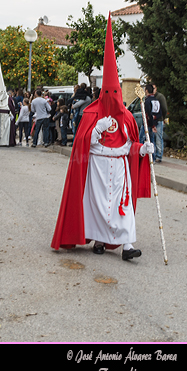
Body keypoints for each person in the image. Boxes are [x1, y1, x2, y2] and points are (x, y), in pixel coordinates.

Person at [51, 14, 153, 260]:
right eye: (107, 91)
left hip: (119, 168)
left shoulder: (127, 116)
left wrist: (142, 149)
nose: (111, 96)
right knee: (97, 206)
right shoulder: (91, 112)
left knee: (122, 205)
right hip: (96, 167)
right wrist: (96, 130)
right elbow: (82, 143)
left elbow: (129, 144)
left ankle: (127, 246)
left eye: (114, 92)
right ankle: (99, 239)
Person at [141, 84, 163, 162]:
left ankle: (142, 156)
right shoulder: (156, 100)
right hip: (154, 123)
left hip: (147, 124)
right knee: (152, 141)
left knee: (142, 139)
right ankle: (152, 158)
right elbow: (159, 113)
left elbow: (148, 114)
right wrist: (155, 118)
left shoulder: (147, 101)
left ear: (146, 90)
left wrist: (152, 124)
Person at [152, 84, 168, 163]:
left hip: (158, 120)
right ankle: (153, 155)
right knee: (152, 138)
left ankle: (159, 156)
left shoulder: (160, 97)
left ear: (156, 88)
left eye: (154, 88)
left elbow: (164, 108)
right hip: (152, 121)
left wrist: (162, 117)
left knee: (158, 138)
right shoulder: (150, 97)